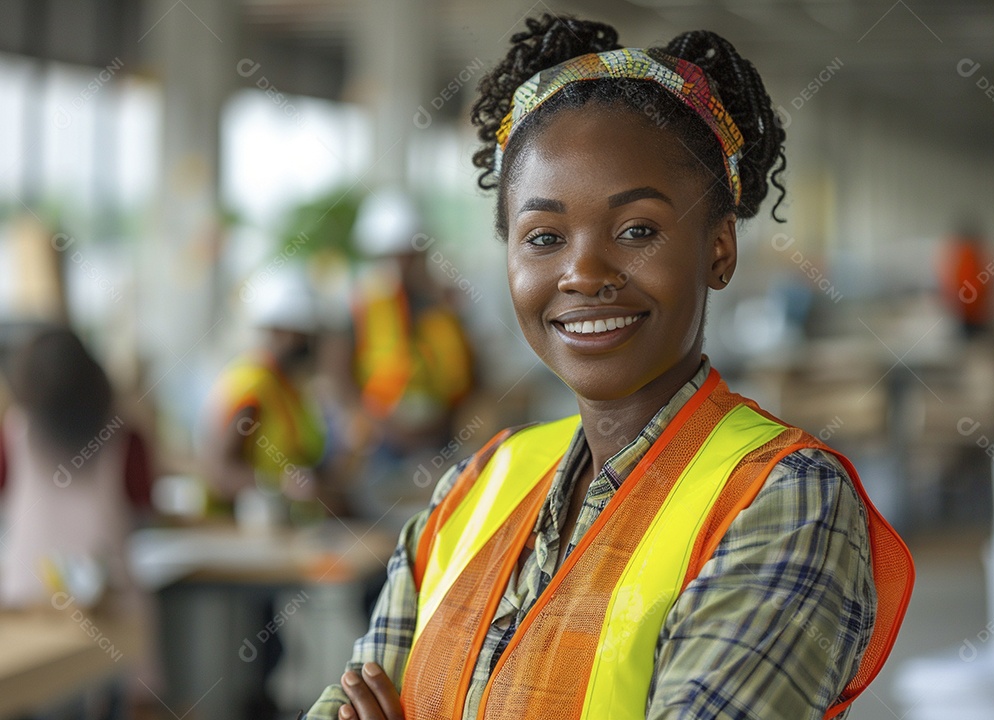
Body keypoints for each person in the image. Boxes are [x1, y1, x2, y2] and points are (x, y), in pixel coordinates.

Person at [304, 14, 914, 720]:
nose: (582, 272)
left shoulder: (782, 500)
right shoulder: (474, 490)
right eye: (543, 237)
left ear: (718, 249)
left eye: (636, 231)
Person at [0, 326, 152, 608]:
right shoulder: (126, 438)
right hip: (109, 609)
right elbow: (143, 512)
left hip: (29, 602)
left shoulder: (12, 434)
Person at [348, 188, 474, 518]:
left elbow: (472, 374)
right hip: (384, 447)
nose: (400, 264)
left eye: (407, 254)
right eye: (390, 255)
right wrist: (374, 425)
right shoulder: (362, 304)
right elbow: (339, 377)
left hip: (442, 441)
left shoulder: (444, 304)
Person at [202, 268, 327, 515]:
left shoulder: (287, 386)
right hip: (241, 528)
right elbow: (218, 469)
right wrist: (276, 486)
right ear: (282, 331)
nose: (310, 343)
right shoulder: (252, 383)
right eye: (304, 333)